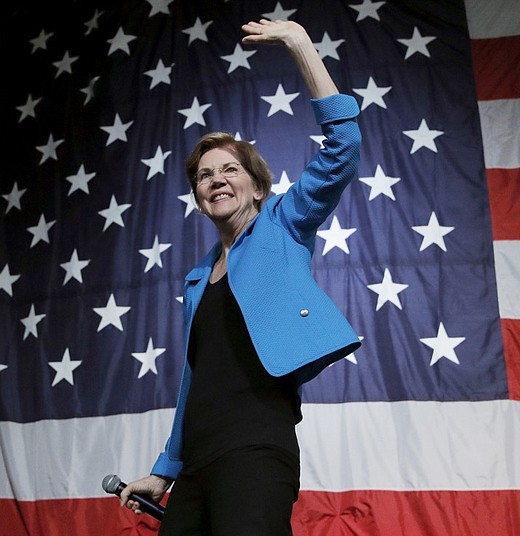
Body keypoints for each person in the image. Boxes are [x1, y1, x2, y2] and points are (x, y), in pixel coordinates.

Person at [119, 18, 362, 535]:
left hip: (256, 446)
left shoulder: (282, 224)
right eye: (205, 174)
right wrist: (165, 470)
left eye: (230, 169)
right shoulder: (195, 280)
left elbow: (343, 146)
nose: (216, 179)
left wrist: (300, 41)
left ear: (257, 188)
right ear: (199, 197)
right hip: (197, 463)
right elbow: (194, 381)